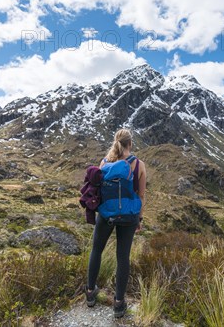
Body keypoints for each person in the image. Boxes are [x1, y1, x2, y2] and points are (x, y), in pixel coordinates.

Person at [85, 128, 146, 318]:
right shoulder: (138, 164)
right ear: (130, 144)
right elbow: (141, 195)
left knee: (97, 249)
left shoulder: (104, 163)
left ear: (115, 142)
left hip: (106, 214)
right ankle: (119, 304)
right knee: (123, 257)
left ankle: (90, 293)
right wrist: (139, 219)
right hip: (129, 216)